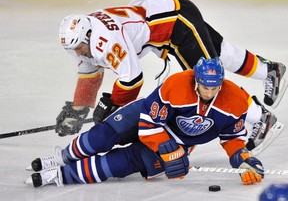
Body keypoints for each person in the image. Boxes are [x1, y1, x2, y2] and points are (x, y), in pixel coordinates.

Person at [56, 0, 285, 153]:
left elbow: (132, 79)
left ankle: (260, 117)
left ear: (88, 36)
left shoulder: (103, 41)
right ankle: (270, 71)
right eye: (72, 49)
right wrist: (77, 109)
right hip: (172, 11)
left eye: (79, 47)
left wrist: (113, 103)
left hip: (177, 23)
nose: (78, 53)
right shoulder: (84, 39)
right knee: (221, 53)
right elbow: (89, 72)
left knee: (207, 81)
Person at [26, 57, 265, 188]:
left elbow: (232, 138)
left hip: (178, 141)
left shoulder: (236, 101)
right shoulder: (176, 85)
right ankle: (62, 158)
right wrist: (167, 151)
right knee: (101, 137)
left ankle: (61, 176)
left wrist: (244, 161)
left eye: (215, 88)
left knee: (119, 164)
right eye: (205, 87)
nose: (210, 92)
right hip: (148, 117)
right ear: (196, 80)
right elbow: (149, 125)